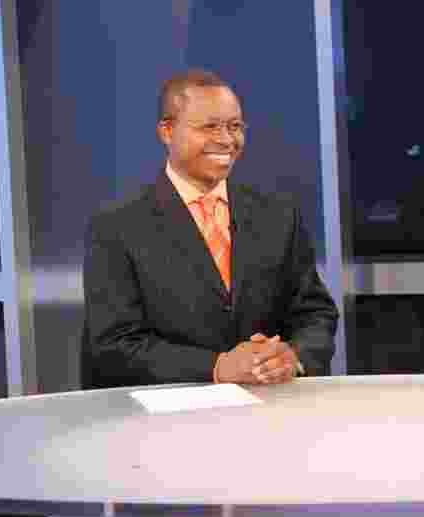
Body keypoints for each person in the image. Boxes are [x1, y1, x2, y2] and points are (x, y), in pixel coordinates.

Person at [83, 69, 338, 391]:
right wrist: (218, 366)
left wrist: (293, 355)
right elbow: (114, 345)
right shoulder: (118, 225)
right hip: (164, 423)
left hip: (269, 413)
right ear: (167, 130)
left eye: (234, 127)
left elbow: (314, 312)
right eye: (210, 127)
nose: (227, 140)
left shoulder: (278, 214)